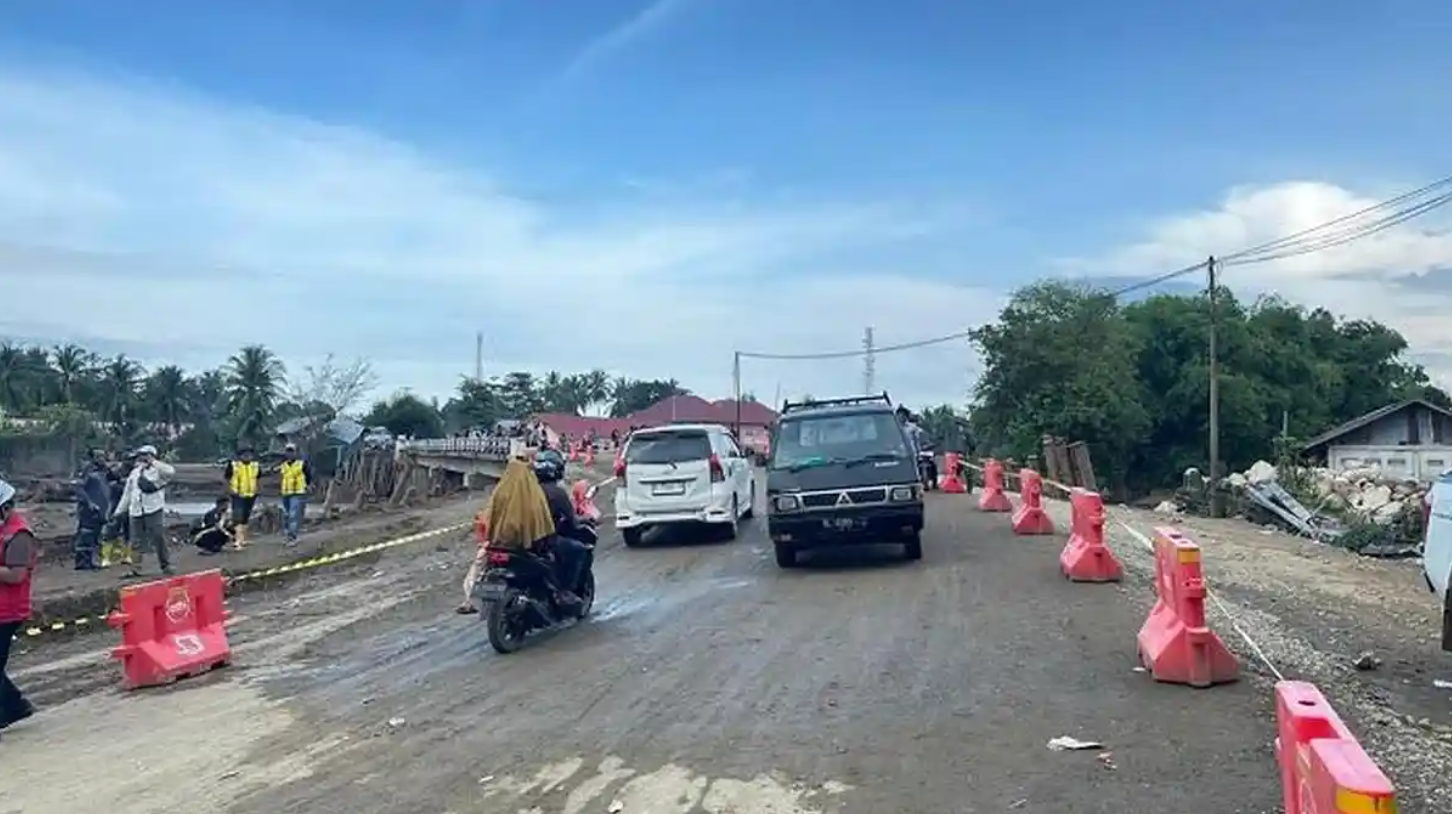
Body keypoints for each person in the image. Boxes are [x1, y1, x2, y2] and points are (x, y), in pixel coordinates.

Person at [481, 456, 582, 611]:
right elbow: (541, 523)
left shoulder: (499, 493)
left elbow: (490, 517)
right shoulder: (533, 496)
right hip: (527, 544)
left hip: (499, 543)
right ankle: (562, 592)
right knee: (572, 550)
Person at [0, 478, 39, 738]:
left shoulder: (19, 535)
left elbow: (16, 576)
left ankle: (10, 710)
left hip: (8, 611)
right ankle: (15, 706)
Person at [532, 449, 591, 607]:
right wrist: (586, 520)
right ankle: (564, 591)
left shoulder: (525, 491)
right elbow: (572, 521)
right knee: (578, 549)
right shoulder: (557, 493)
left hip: (516, 540)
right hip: (543, 540)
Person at [111, 444, 176, 577]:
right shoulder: (135, 473)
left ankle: (166, 565)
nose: (141, 458)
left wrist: (153, 462)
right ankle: (135, 568)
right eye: (141, 455)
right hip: (136, 510)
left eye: (144, 455)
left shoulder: (159, 471)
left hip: (154, 508)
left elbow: (170, 472)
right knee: (135, 541)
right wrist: (119, 511)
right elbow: (128, 493)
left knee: (158, 537)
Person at [72, 448, 111, 570]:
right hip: (88, 510)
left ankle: (90, 561)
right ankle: (82, 563)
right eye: (99, 456)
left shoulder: (104, 470)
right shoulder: (87, 470)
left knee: (94, 536)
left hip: (101, 510)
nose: (102, 459)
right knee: (86, 534)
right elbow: (79, 488)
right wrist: (89, 503)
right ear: (92, 458)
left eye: (103, 456)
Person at [275, 443, 314, 546]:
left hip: (298, 492)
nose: (290, 453)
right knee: (287, 514)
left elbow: (308, 476)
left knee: (293, 514)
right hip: (286, 492)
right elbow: (281, 477)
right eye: (288, 451)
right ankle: (289, 533)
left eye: (292, 451)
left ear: (296, 453)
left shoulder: (302, 464)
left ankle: (292, 537)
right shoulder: (283, 465)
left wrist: (308, 486)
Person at [223, 445, 260, 551]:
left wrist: (257, 490)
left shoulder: (255, 466)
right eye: (245, 454)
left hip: (251, 494)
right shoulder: (233, 465)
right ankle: (237, 541)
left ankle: (243, 538)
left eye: (249, 454)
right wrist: (229, 490)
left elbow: (258, 478)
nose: (247, 456)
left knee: (245, 517)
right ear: (240, 456)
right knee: (238, 517)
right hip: (237, 495)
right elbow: (226, 478)